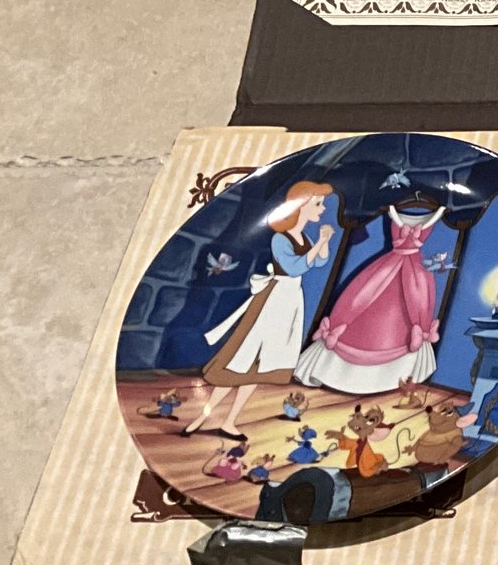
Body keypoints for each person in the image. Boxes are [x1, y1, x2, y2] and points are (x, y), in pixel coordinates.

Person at [185, 180, 335, 440]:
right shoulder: (281, 239)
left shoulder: (306, 237)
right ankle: (202, 416)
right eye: (318, 204)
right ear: (302, 205)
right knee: (243, 357)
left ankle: (229, 422)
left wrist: (325, 242)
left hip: (291, 301)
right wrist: (320, 242)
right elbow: (295, 267)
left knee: (260, 365)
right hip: (273, 298)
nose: (323, 209)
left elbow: (320, 262)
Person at [293, 204, 448, 394]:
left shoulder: (434, 216)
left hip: (414, 274)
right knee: (362, 296)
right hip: (386, 269)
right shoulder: (393, 210)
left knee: (413, 307)